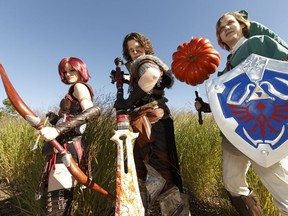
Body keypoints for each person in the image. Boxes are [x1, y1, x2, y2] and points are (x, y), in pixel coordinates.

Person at [195, 11, 288, 216]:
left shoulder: (258, 42)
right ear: (219, 38)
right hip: (236, 133)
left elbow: (283, 67)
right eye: (221, 28)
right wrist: (206, 106)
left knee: (282, 187)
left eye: (230, 23)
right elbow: (229, 103)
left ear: (243, 25)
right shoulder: (226, 67)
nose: (226, 28)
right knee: (232, 182)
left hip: (264, 130)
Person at [114, 32, 189, 215]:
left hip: (152, 121)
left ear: (145, 46)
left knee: (162, 175)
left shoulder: (145, 61)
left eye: (137, 46)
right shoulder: (137, 66)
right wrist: (123, 79)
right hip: (145, 122)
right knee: (148, 174)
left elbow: (152, 75)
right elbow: (144, 82)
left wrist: (128, 102)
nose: (135, 51)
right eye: (131, 50)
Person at [38, 57, 99, 215]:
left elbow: (92, 112)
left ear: (81, 70)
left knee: (58, 205)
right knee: (59, 203)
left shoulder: (79, 86)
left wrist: (57, 131)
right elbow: (73, 117)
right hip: (63, 146)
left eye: (72, 69)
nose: (68, 74)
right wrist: (55, 121)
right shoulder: (73, 89)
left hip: (69, 146)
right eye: (65, 71)